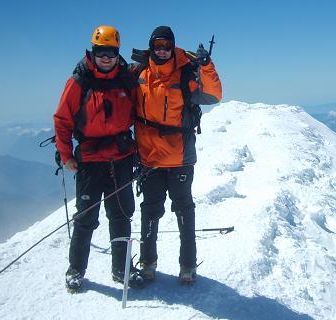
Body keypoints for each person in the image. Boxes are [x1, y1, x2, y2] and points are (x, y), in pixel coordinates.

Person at [53, 25, 144, 292]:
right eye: (101, 52)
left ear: (118, 54)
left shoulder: (126, 80)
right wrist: (66, 155)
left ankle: (122, 269)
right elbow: (62, 120)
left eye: (111, 52)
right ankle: (76, 270)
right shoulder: (79, 82)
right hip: (91, 161)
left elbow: (142, 112)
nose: (106, 57)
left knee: (121, 215)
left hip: (121, 158)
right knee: (86, 218)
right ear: (92, 53)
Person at [131, 26, 222, 284]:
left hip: (179, 157)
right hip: (150, 159)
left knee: (183, 212)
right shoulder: (138, 73)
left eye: (166, 46)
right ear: (151, 47)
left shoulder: (185, 73)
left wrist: (206, 65)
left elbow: (214, 95)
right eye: (157, 46)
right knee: (150, 211)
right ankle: (147, 263)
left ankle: (187, 266)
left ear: (172, 47)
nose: (162, 50)